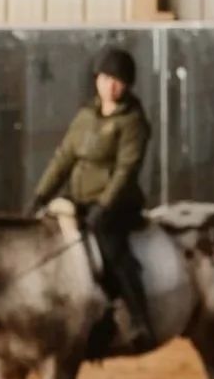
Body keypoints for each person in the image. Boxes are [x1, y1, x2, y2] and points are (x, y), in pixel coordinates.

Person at [29, 46, 153, 352]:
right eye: (106, 78)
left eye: (118, 81)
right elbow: (64, 158)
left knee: (110, 245)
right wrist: (41, 194)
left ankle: (139, 315)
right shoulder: (85, 115)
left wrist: (105, 205)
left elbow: (126, 169)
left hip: (117, 201)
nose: (111, 86)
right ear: (97, 79)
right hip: (81, 198)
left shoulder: (133, 121)